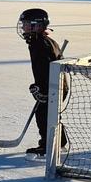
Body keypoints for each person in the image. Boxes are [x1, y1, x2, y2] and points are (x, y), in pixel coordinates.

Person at [19, 8, 66, 157]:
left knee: (44, 114)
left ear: (37, 25)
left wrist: (43, 89)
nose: (23, 27)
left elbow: (47, 67)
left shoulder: (40, 44)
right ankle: (60, 142)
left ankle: (48, 145)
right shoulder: (39, 41)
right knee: (48, 113)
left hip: (53, 85)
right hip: (54, 84)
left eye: (26, 24)